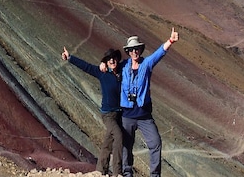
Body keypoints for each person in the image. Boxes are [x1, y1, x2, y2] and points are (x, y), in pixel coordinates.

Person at [116, 28, 178, 177]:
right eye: (131, 50)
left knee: (155, 143)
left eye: (136, 49)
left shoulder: (147, 64)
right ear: (128, 51)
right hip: (127, 114)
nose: (134, 52)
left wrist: (170, 41)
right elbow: (108, 65)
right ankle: (127, 172)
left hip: (144, 114)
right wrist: (102, 65)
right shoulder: (123, 66)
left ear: (140, 50)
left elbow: (159, 53)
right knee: (126, 145)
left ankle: (155, 175)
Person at [62, 46, 124, 176]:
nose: (112, 61)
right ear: (106, 62)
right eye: (109, 59)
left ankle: (100, 170)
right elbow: (86, 67)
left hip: (119, 114)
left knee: (108, 142)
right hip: (108, 115)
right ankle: (117, 173)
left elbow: (134, 61)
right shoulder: (103, 73)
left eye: (114, 58)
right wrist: (70, 58)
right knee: (118, 136)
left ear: (118, 59)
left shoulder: (122, 71)